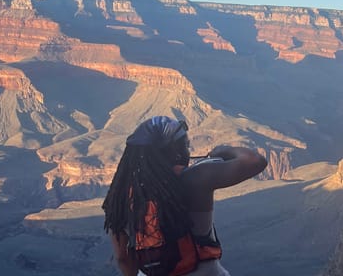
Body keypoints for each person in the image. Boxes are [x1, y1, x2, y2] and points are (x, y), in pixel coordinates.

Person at [102, 116, 268, 275]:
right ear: (175, 151)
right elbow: (255, 161)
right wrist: (224, 150)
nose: (187, 151)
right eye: (185, 146)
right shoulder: (196, 178)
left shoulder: (120, 198)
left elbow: (122, 258)